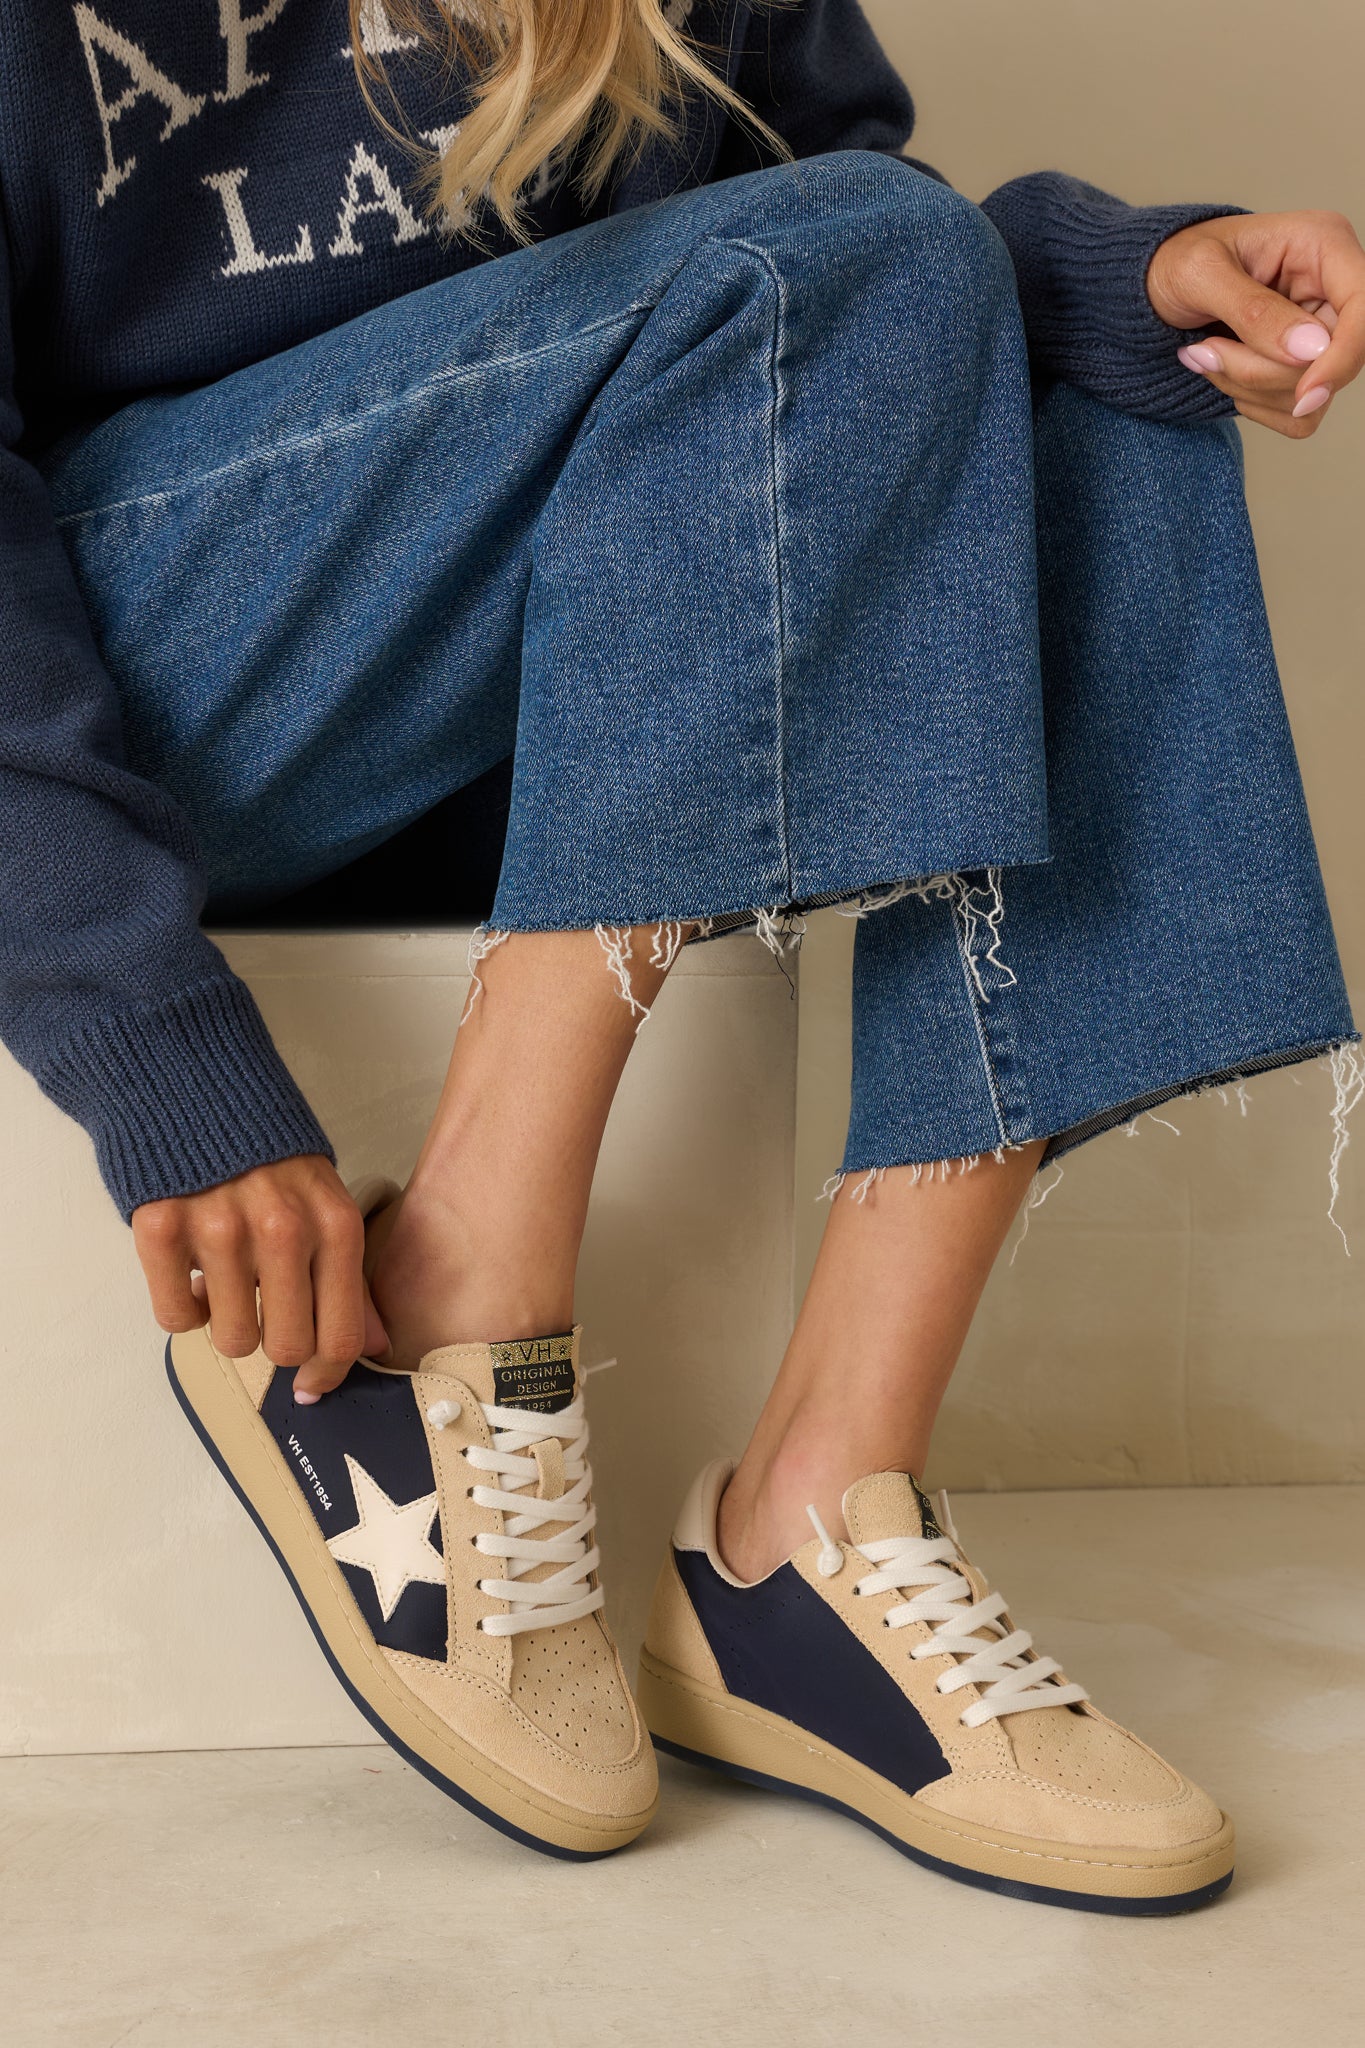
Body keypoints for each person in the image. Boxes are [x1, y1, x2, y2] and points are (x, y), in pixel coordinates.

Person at [3, 0, 1360, 1908]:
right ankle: (472, 1282)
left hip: (529, 670)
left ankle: (811, 1522)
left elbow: (821, 281)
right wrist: (151, 1045)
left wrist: (1105, 278)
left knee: (1087, 365)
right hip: (156, 665)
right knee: (880, 261)